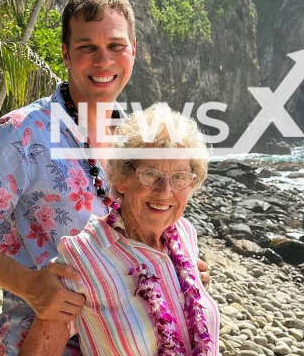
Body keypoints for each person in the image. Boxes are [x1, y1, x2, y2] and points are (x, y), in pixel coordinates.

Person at [0, 0, 210, 356]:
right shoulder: (24, 134)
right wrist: (29, 285)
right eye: (86, 47)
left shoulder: (137, 136)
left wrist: (179, 269)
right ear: (65, 53)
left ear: (133, 51)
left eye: (115, 46)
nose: (103, 60)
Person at [19, 104, 220, 356]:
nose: (165, 191)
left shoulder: (184, 233)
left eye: (179, 177)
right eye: (150, 174)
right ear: (122, 178)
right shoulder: (81, 257)